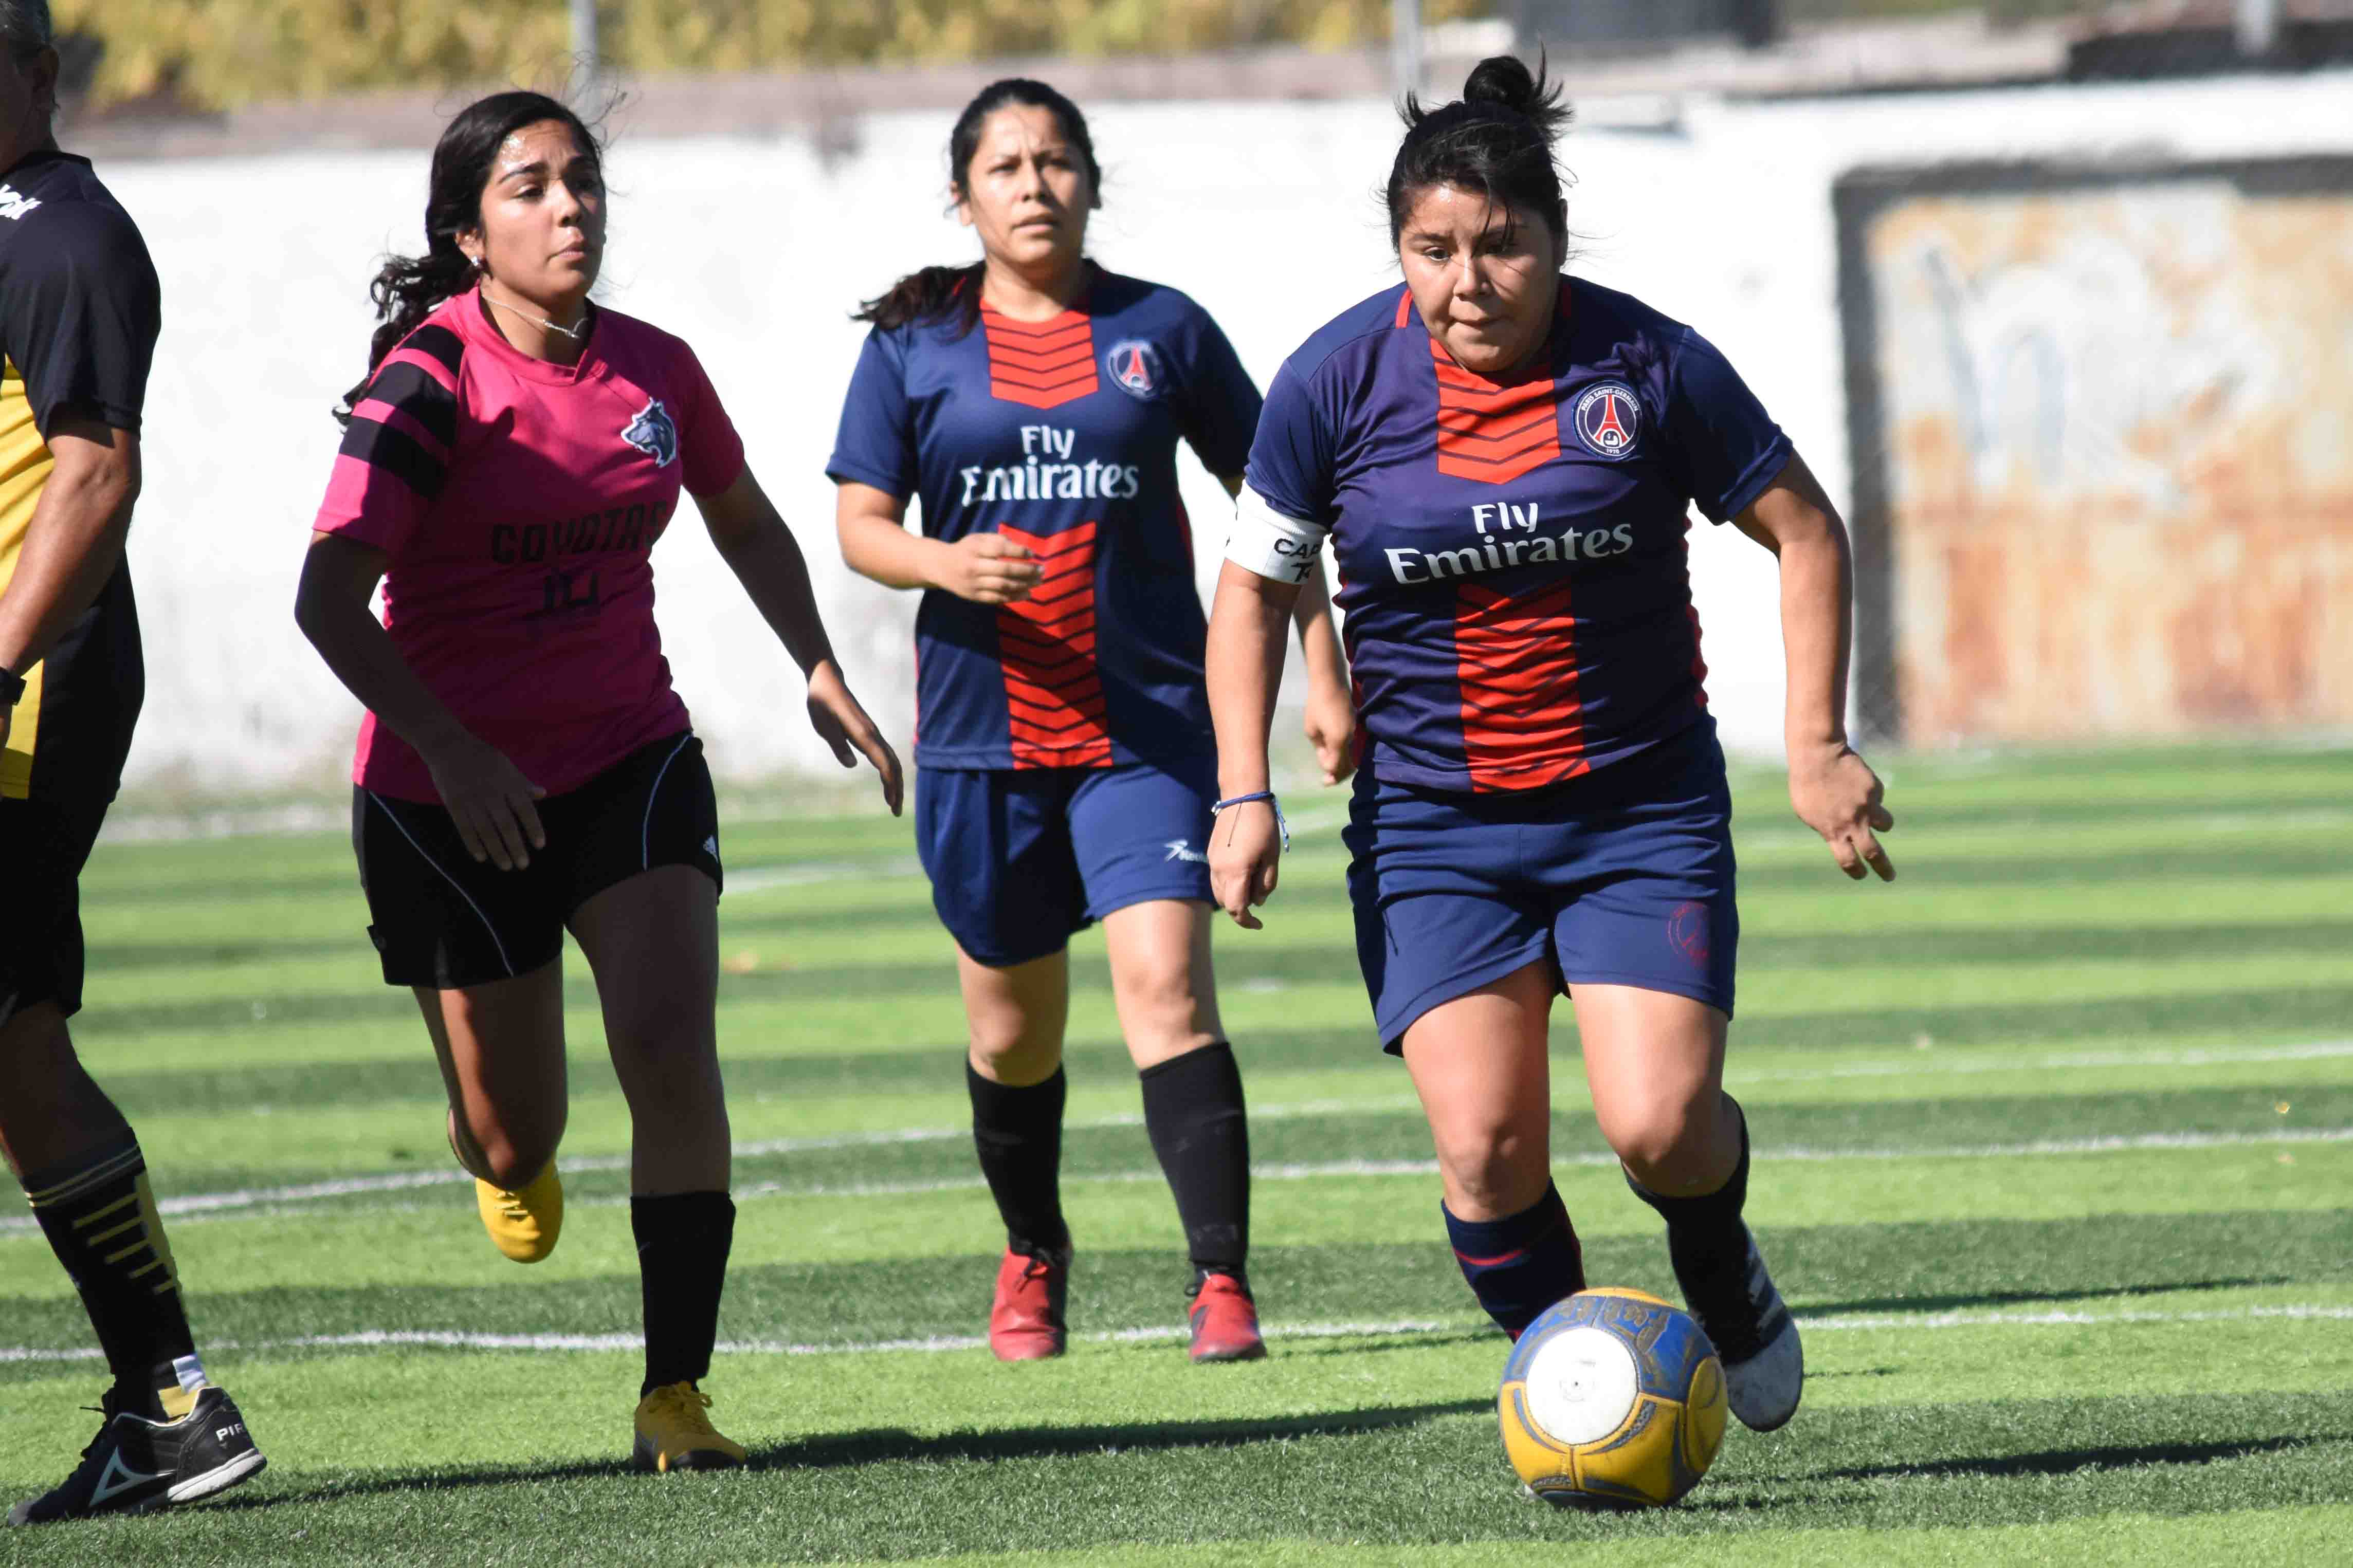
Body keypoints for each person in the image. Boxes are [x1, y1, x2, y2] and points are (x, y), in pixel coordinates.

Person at [1204, 56, 1897, 1433]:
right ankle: (1585, 1394)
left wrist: (1814, 740)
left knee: (1659, 1127)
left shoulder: (1645, 361)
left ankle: (1718, 1262)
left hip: (1636, 809)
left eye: (1500, 246)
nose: (1468, 280)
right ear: (1401, 247)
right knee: (1485, 1148)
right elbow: (1253, 589)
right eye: (1433, 250)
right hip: (1435, 828)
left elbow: (1806, 528)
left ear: (1553, 239)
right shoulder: (1333, 382)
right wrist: (1244, 787)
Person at [294, 90, 901, 1470]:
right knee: (517, 1139)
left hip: (630, 754)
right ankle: (491, 1138)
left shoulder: (656, 371)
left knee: (673, 1048)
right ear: (468, 233)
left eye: (584, 182)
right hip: (448, 800)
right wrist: (450, 742)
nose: (571, 208)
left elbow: (742, 519)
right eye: (530, 188)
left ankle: (672, 1397)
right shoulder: (426, 389)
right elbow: (326, 600)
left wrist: (815, 662)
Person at [830, 78, 1355, 1363]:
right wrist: (943, 563)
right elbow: (859, 525)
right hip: (981, 745)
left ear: (1092, 181)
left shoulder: (1161, 329)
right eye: (1005, 164)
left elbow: (1276, 500)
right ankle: (1033, 1249)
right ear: (963, 196)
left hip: (1146, 730)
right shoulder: (914, 347)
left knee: (1167, 989)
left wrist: (1322, 666)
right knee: (1013, 1033)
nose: (1034, 182)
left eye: (1057, 159)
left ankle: (1219, 1282)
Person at [1, 1, 268, 1525]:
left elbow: (95, 472)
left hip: (28, 703)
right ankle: (168, 1406)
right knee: (20, 1057)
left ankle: (170, 1399)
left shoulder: (59, 232)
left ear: (35, 70)